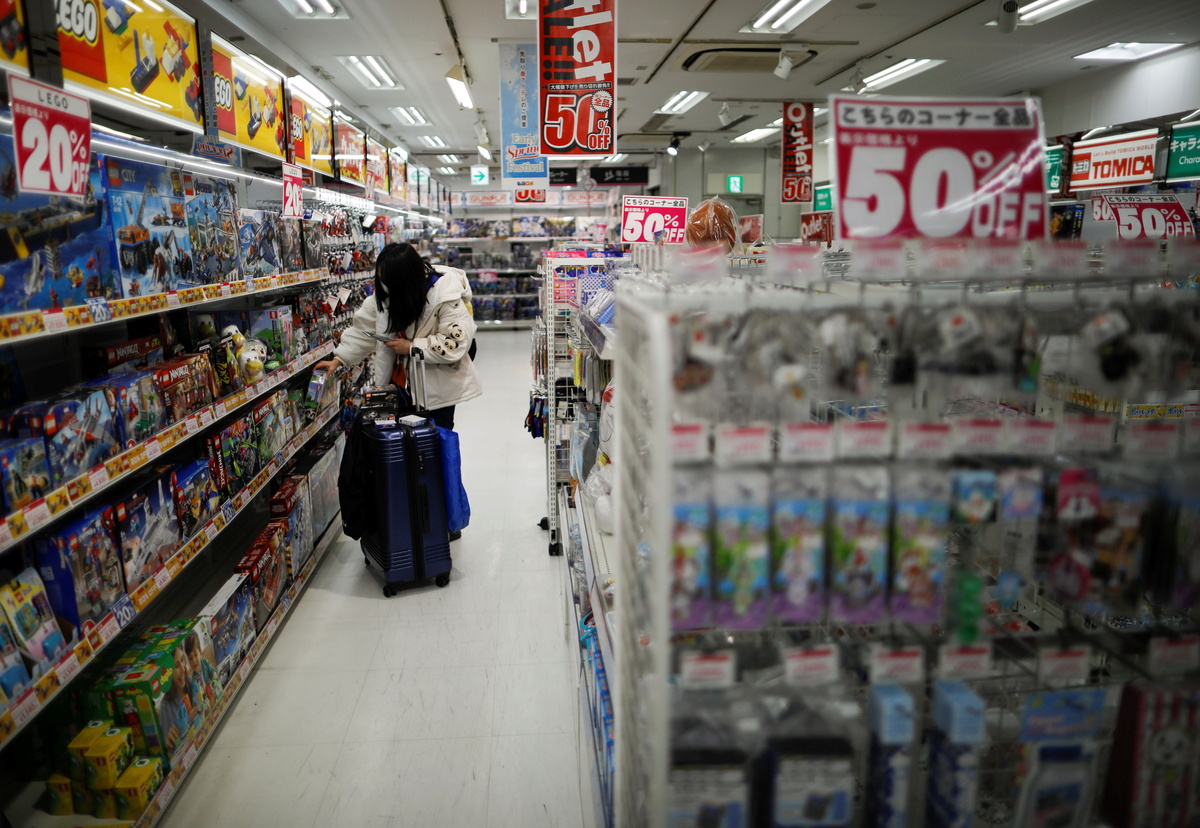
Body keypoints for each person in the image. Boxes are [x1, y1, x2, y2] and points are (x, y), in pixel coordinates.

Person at [316, 242, 481, 429]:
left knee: (433, 440)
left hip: (436, 390)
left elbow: (455, 343)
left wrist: (411, 347)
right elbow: (364, 330)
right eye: (382, 279)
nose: (385, 286)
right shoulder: (389, 292)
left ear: (406, 277)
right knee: (397, 441)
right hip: (399, 385)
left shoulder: (445, 295)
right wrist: (338, 360)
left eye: (389, 281)